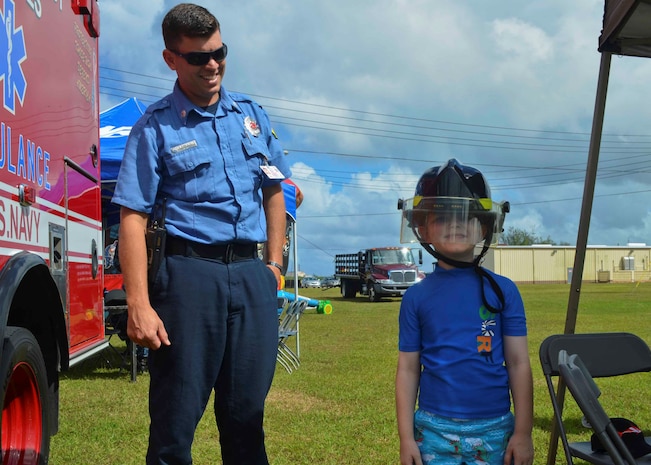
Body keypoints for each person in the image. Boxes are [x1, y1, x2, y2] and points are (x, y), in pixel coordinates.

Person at [111, 4, 290, 464]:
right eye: (198, 58)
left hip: (252, 277)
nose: (212, 65)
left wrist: (274, 264)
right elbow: (132, 217)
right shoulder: (155, 127)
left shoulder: (250, 115)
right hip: (188, 278)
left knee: (247, 420)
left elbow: (276, 188)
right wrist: (139, 303)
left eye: (219, 52)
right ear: (171, 58)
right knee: (175, 426)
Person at [395, 159, 534, 465]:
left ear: (485, 226)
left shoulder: (503, 291)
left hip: (496, 429)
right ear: (422, 227)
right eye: (442, 217)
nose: (456, 224)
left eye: (468, 216)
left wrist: (522, 432)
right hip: (433, 431)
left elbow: (518, 362)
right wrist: (406, 439)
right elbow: (407, 369)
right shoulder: (416, 297)